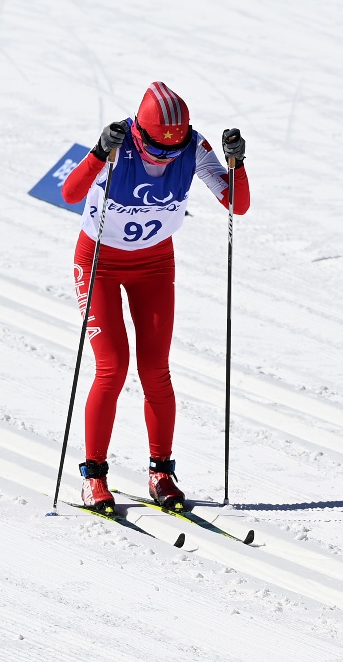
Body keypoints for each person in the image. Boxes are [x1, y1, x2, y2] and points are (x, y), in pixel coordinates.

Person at [60, 82, 251, 514]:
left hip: (154, 265)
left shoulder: (193, 147)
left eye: (172, 152)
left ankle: (161, 472)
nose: (163, 160)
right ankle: (94, 477)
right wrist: (95, 153)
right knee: (112, 368)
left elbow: (237, 204)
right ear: (139, 135)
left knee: (155, 369)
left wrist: (237, 165)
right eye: (154, 151)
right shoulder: (118, 143)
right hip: (99, 266)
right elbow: (70, 194)